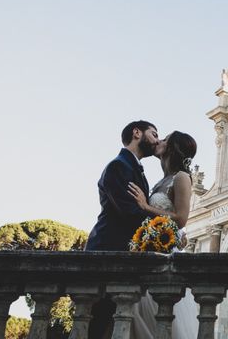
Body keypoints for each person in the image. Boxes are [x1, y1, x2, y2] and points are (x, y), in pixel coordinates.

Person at [85, 120, 159, 339]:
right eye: (153, 134)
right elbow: (128, 212)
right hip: (107, 251)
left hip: (123, 254)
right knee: (97, 325)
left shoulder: (133, 167)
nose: (156, 141)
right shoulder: (119, 166)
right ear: (137, 133)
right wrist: (166, 226)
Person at [127, 131, 199, 339]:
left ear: (174, 148)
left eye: (166, 139)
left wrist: (144, 206)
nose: (159, 141)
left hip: (165, 255)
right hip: (149, 253)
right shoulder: (161, 181)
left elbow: (181, 218)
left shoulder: (182, 177)